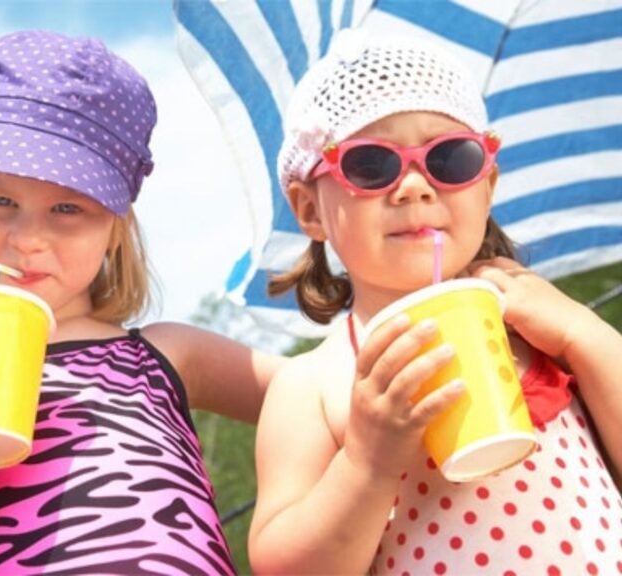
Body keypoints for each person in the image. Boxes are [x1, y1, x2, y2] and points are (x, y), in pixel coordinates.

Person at [0, 29, 283, 575]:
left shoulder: (166, 354)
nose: (27, 238)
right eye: (1, 200)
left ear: (116, 228)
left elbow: (315, 397)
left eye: (68, 210)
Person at [247, 29, 622, 574]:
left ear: (487, 186)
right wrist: (367, 465)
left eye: (450, 159)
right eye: (371, 165)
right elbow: (286, 566)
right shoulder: (313, 384)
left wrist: (586, 334)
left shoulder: (539, 326)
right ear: (309, 210)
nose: (416, 187)